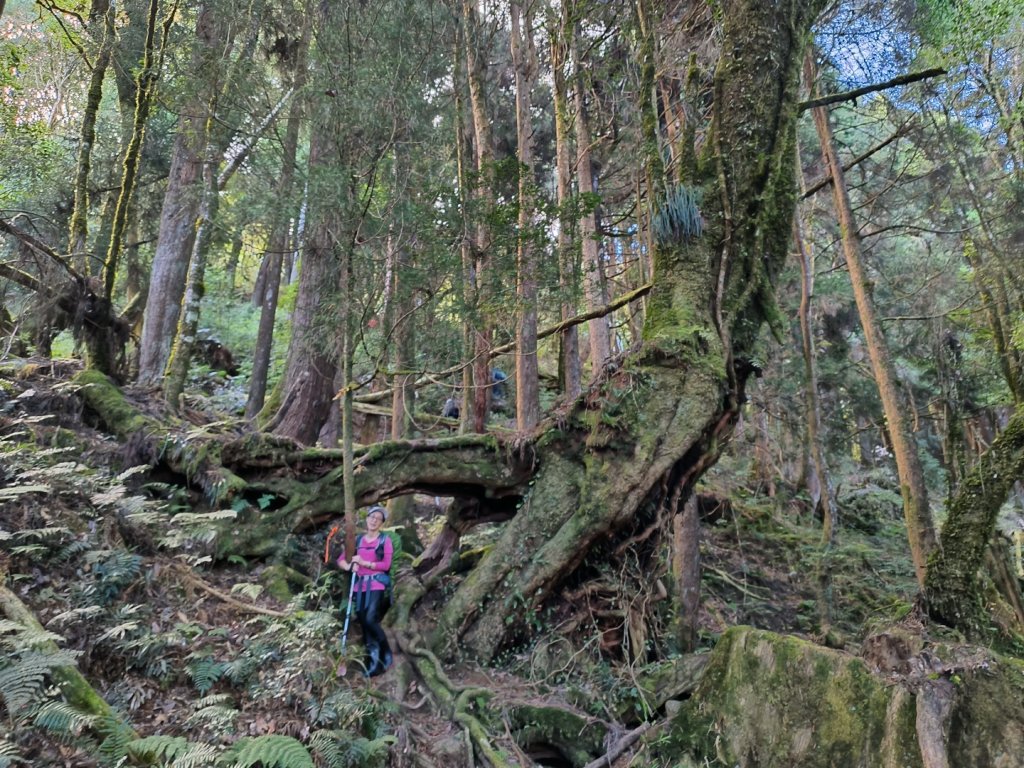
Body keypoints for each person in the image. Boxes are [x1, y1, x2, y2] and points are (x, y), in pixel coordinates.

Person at [337, 505, 394, 677]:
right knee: (363, 621)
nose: (374, 520)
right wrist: (349, 566)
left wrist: (364, 563)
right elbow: (341, 559)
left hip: (376, 584)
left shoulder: (385, 541)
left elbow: (386, 565)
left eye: (378, 518)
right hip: (359, 585)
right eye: (372, 516)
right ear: (367, 518)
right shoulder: (358, 540)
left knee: (370, 618)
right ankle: (373, 662)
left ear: (382, 523)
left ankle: (386, 651)